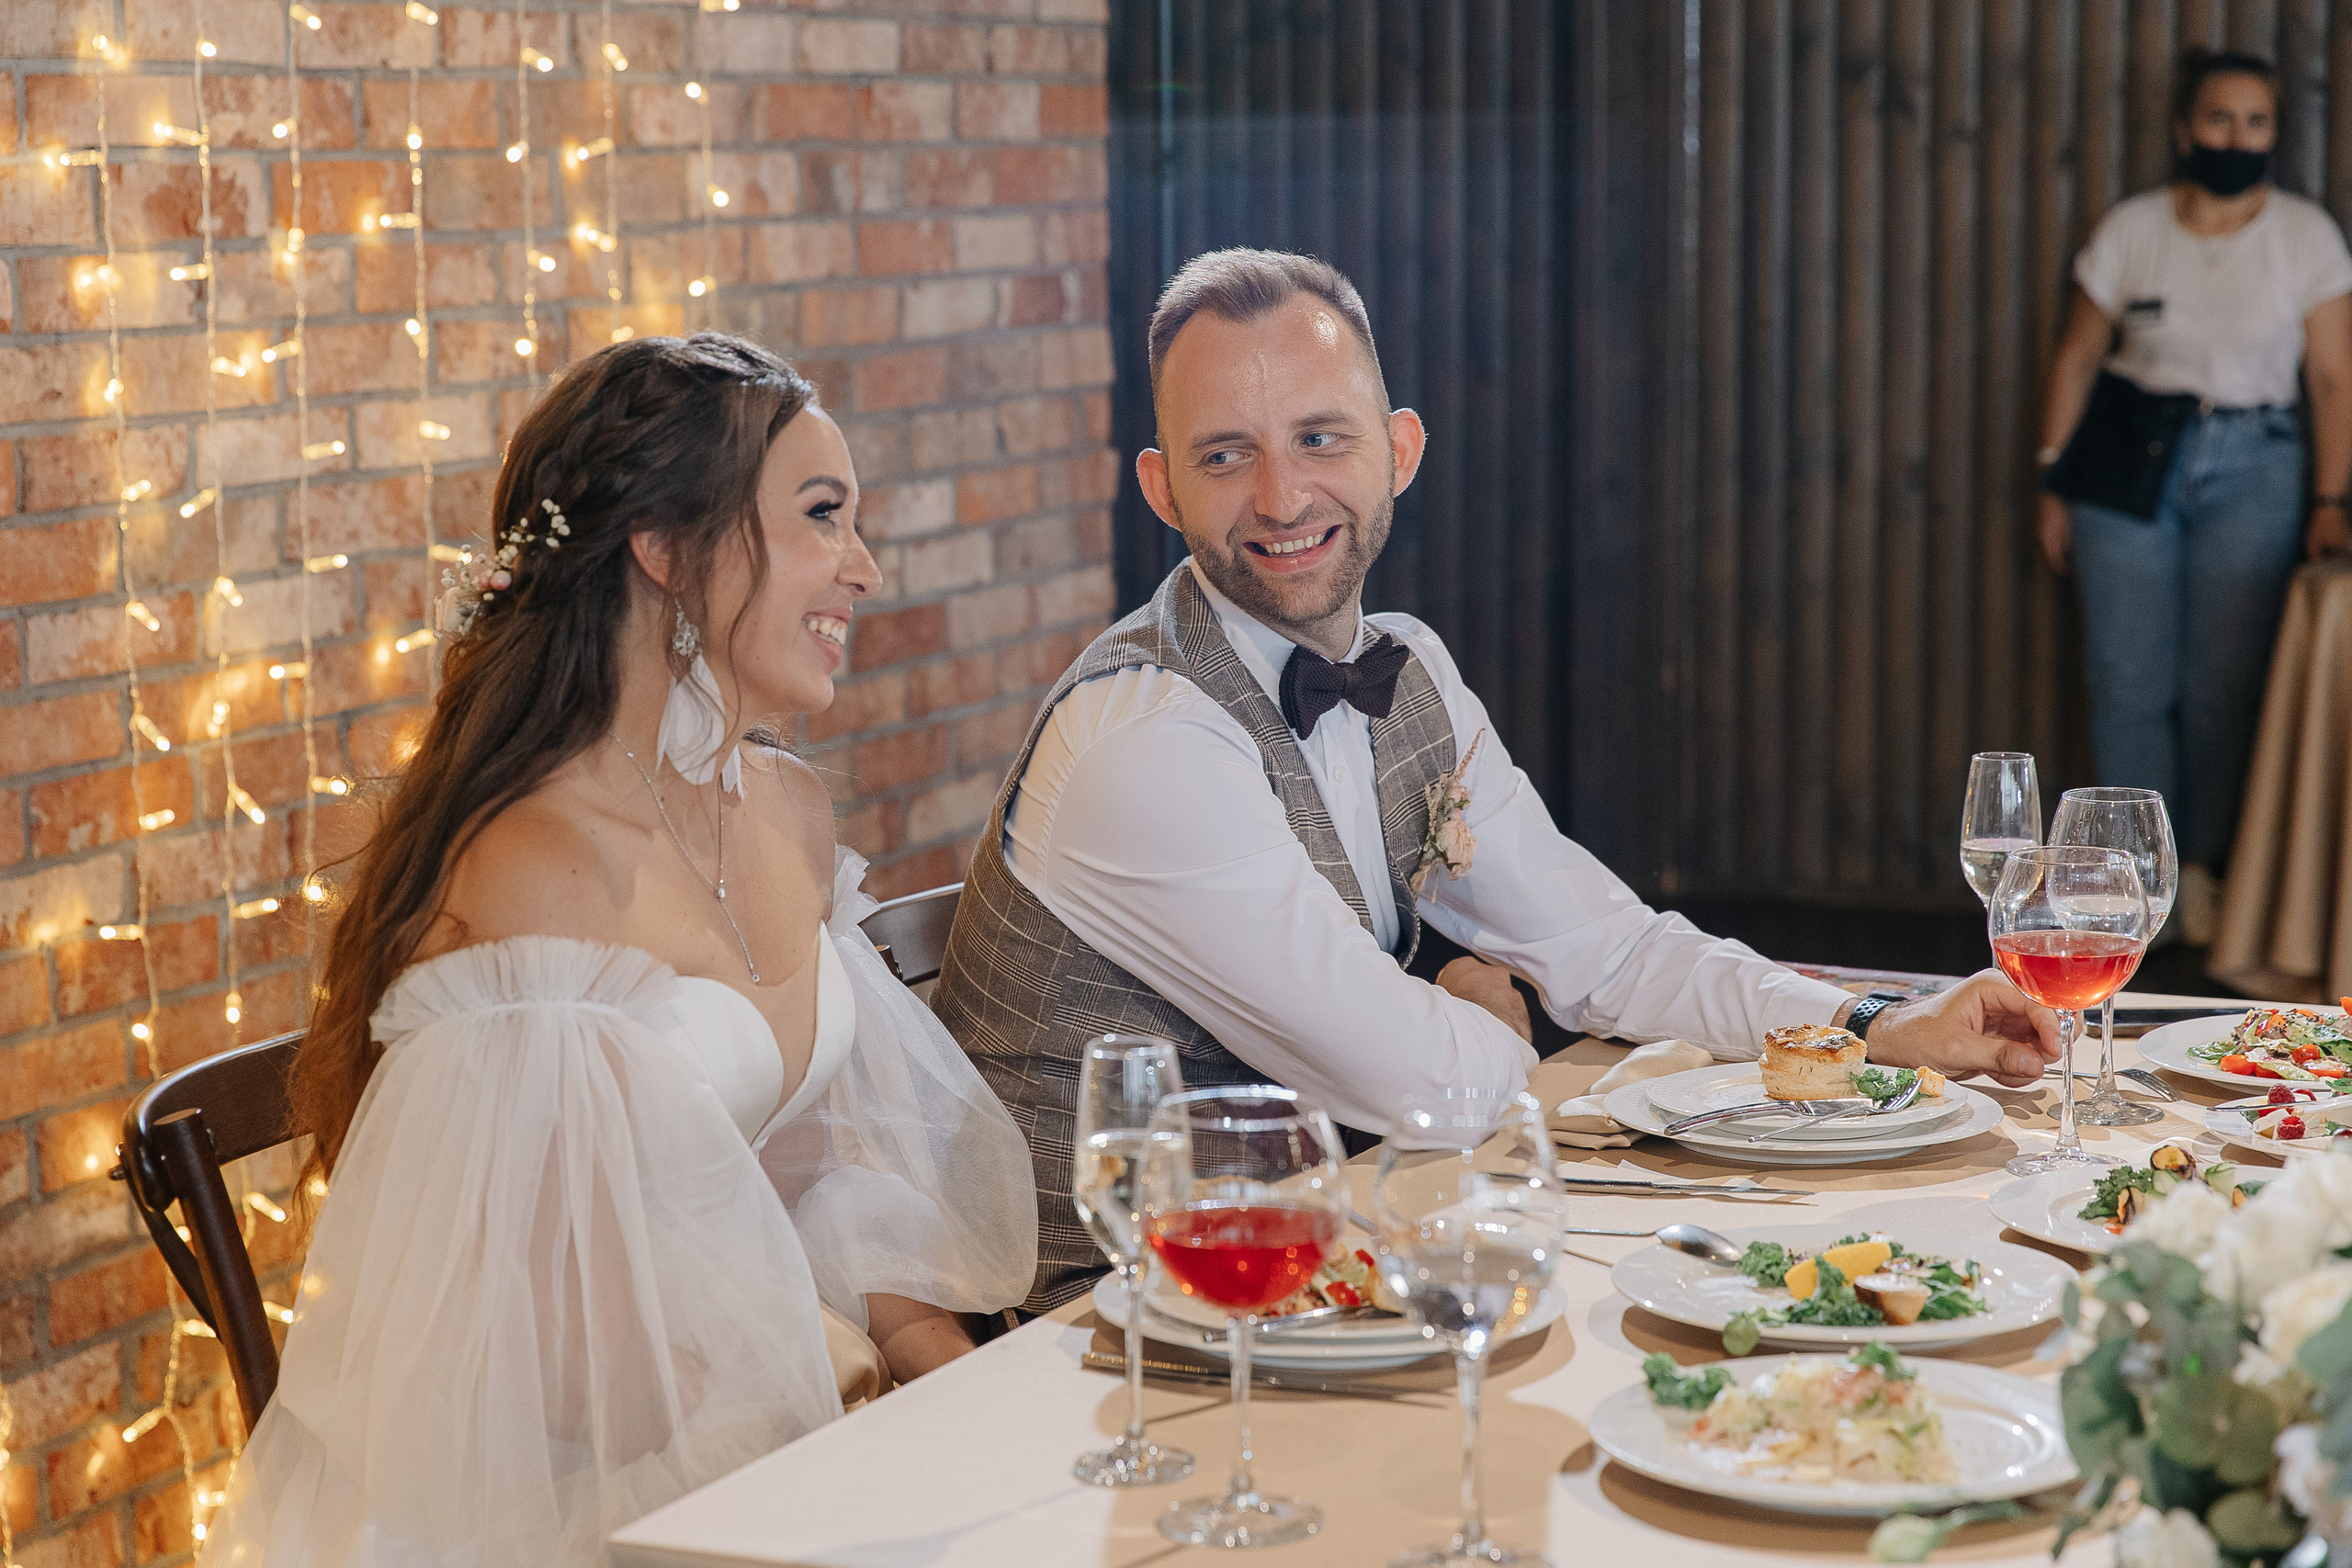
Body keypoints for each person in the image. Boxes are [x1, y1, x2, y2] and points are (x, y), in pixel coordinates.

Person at [933, 248, 2063, 1313]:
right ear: (1161, 488)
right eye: (1225, 455)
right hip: (1109, 1336)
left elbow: (1608, 950)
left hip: (1339, 1261)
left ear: (1401, 452)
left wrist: (1875, 1026)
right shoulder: (1144, 742)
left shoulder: (1407, 670)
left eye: (1321, 438)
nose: (1280, 497)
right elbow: (1435, 1092)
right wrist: (1479, 1015)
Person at [201, 335, 1037, 1566]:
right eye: (821, 516)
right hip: (562, 1502)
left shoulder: (789, 808)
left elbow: (816, 1175)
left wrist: (971, 1397)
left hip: (785, 1447)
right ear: (664, 547)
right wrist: (844, 1395)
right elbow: (555, 1362)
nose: (863, 566)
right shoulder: (531, 863)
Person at [2037, 48, 2352, 942]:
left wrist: (2330, 498)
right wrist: (2050, 476)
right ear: (2184, 127)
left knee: (2223, 688)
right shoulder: (2133, 227)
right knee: (2127, 681)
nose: (2235, 137)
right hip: (2128, 460)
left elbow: (2333, 378)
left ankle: (2206, 876)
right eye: (2219, 118)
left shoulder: (2305, 235)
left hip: (2257, 460)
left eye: (2255, 122)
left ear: (2274, 135)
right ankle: (2134, 895)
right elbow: (2077, 355)